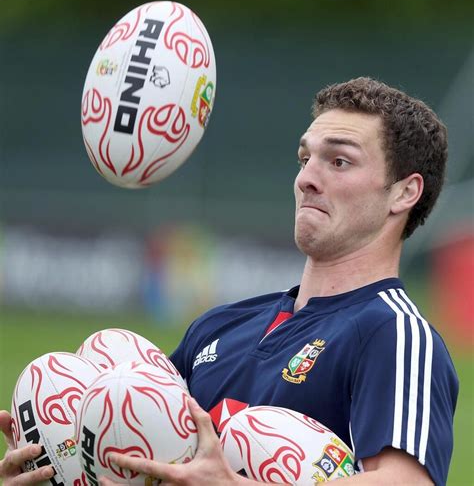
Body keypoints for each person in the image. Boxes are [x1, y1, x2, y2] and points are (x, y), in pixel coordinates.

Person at [0, 77, 458, 485]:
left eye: (338, 161)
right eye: (304, 158)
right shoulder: (219, 326)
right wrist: (61, 467)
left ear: (404, 192)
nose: (306, 179)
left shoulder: (395, 334)